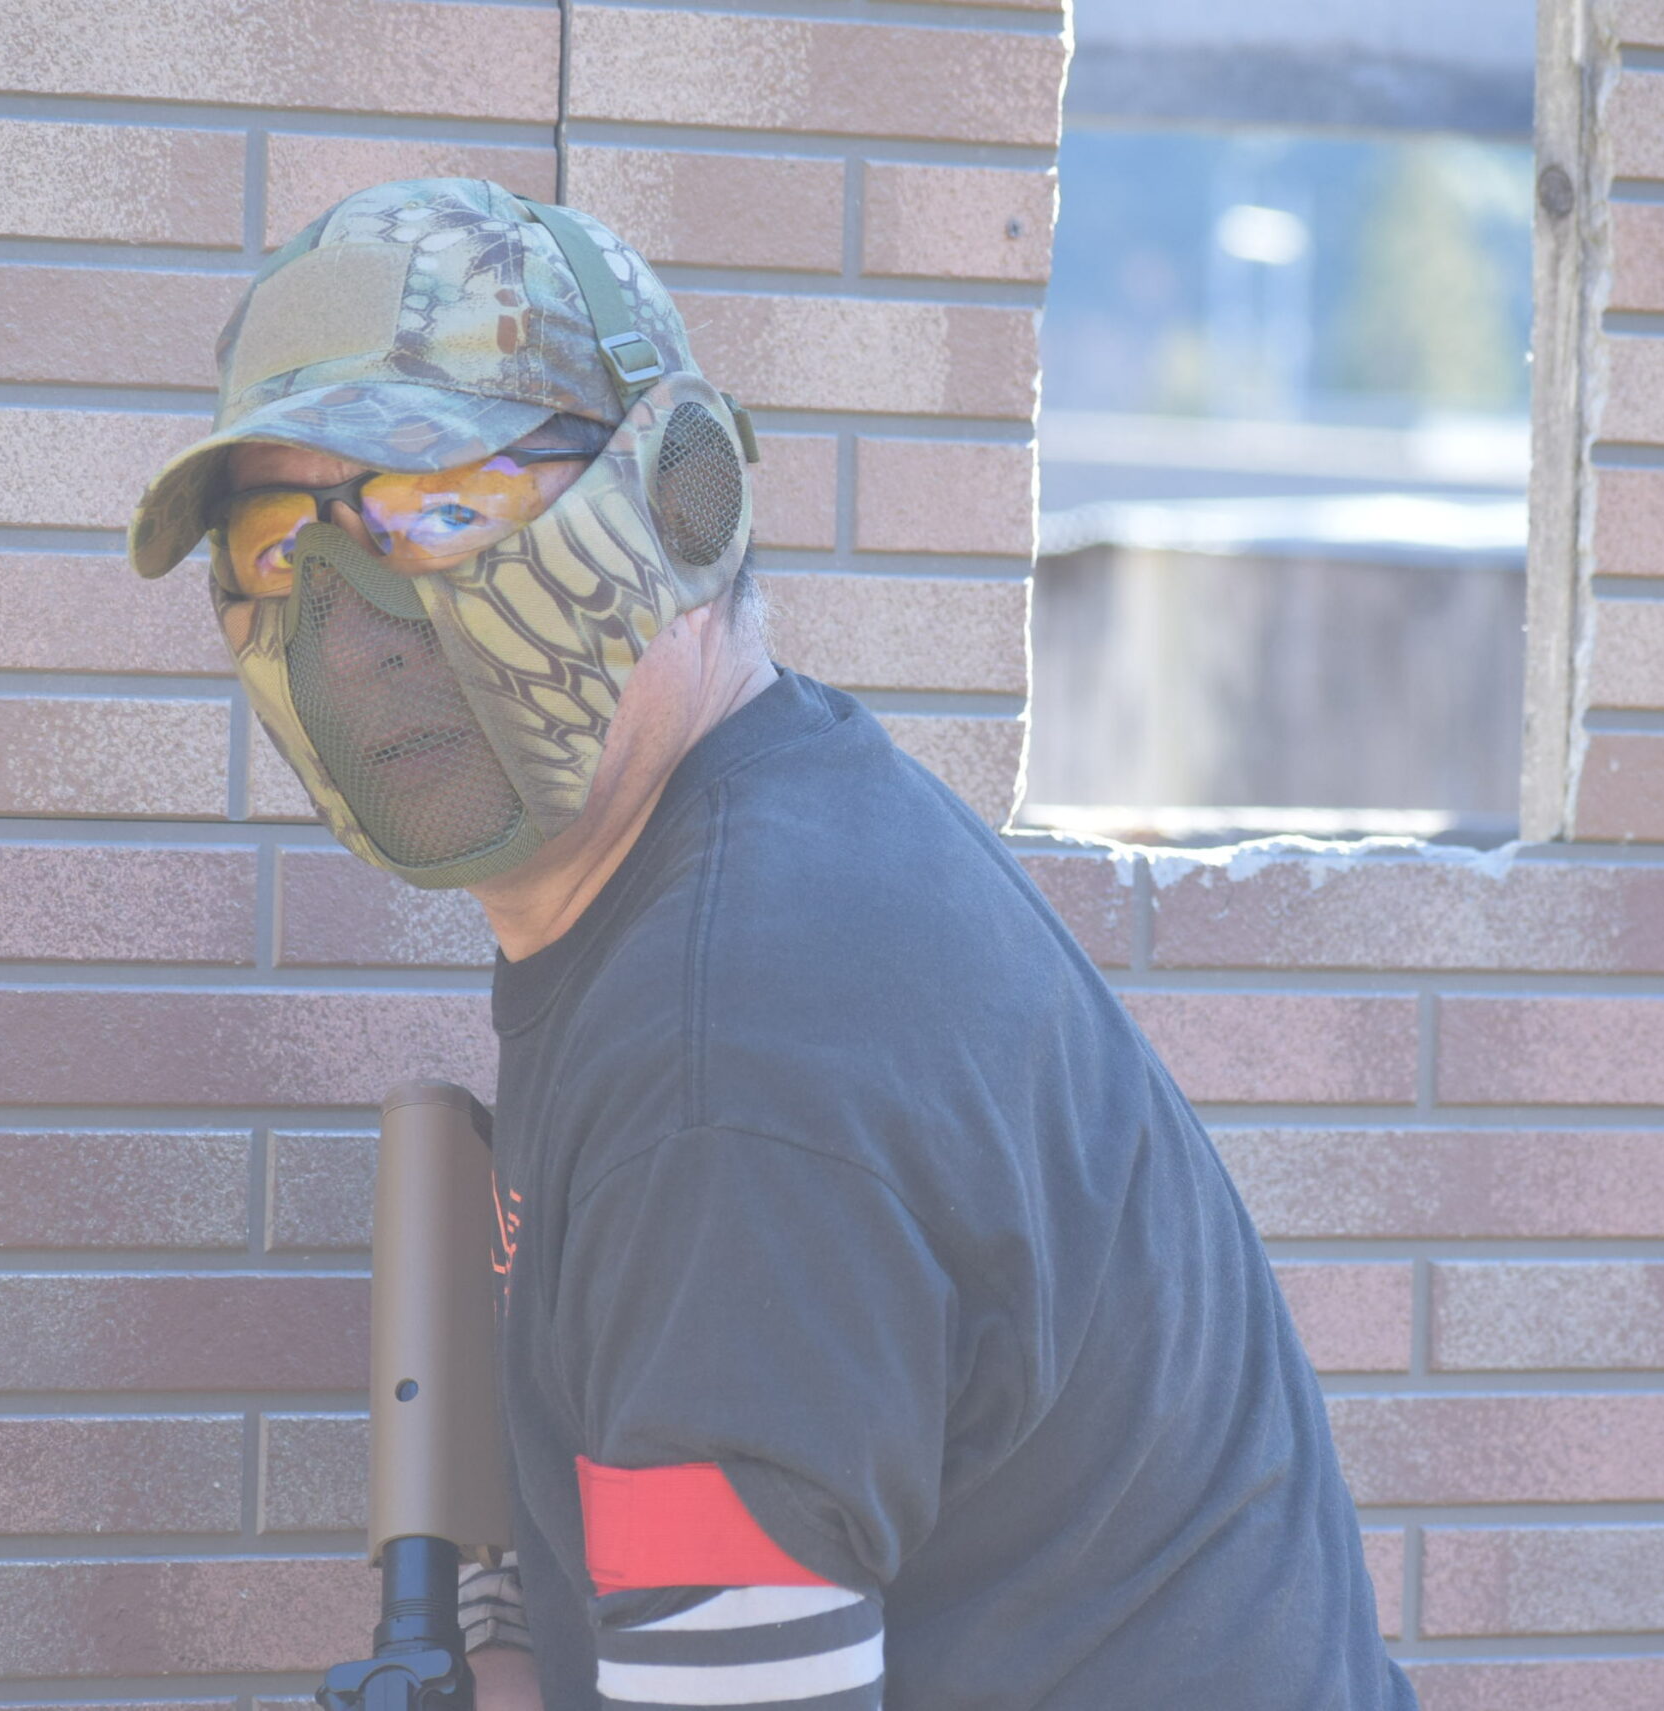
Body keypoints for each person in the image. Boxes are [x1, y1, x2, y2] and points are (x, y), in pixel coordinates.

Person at [129, 178, 1414, 1711]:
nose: (355, 628)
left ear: (681, 501)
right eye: (280, 545)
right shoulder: (743, 866)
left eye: (447, 510)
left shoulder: (732, 1045)